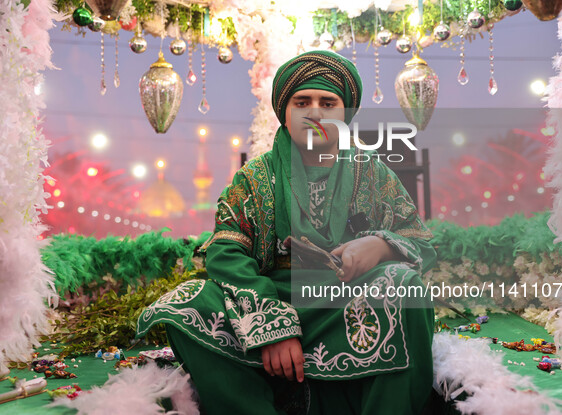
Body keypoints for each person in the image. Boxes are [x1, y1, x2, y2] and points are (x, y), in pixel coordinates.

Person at [136, 50, 437, 415]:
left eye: (328, 102)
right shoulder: (254, 177)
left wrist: (381, 246)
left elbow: (419, 241)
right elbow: (226, 253)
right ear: (286, 112)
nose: (315, 112)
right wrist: (271, 324)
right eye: (302, 102)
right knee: (186, 303)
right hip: (269, 298)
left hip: (342, 306)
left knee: (404, 285)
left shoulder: (372, 174)